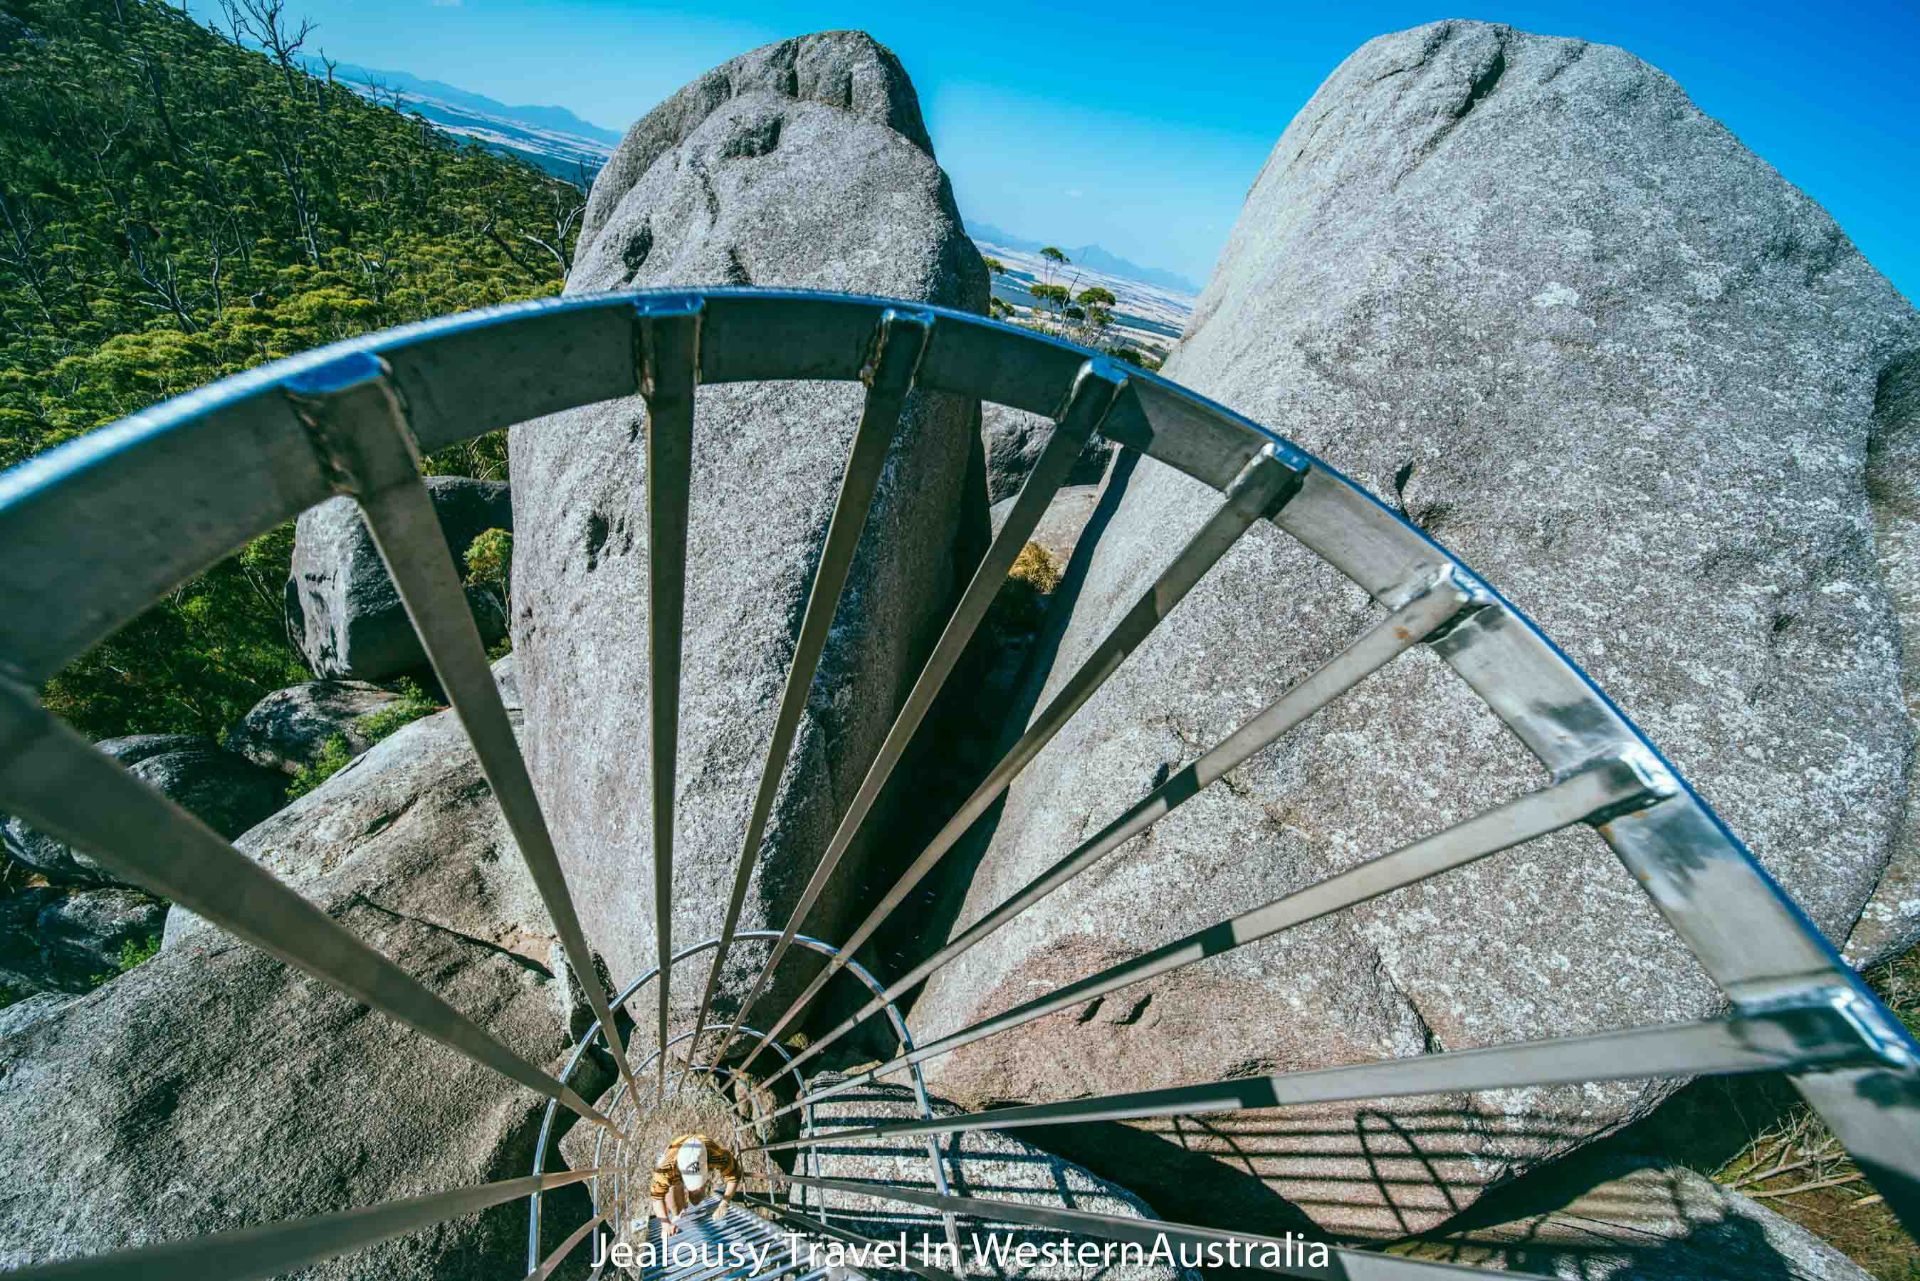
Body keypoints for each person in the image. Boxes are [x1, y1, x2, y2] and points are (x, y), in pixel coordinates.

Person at [649, 1133, 741, 1238]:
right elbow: (657, 1197)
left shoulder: (715, 1154)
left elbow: (734, 1175)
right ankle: (680, 1208)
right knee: (675, 1209)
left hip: (703, 1157)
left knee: (696, 1199)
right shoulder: (666, 1168)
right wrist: (665, 1224)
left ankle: (691, 1198)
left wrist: (725, 1202)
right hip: (674, 1174)